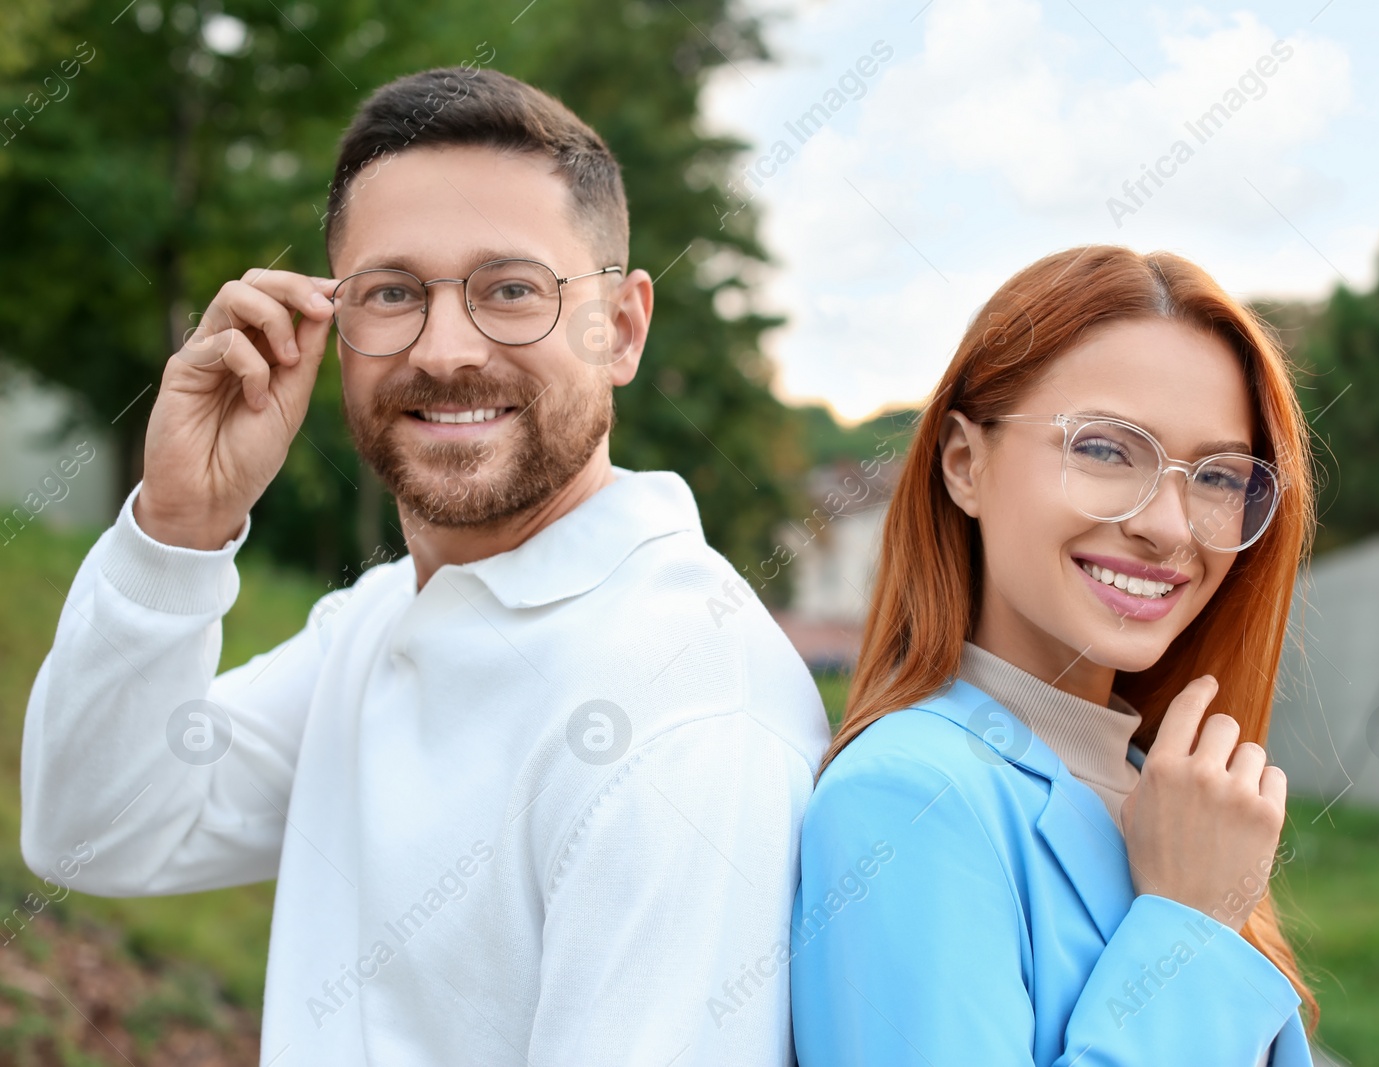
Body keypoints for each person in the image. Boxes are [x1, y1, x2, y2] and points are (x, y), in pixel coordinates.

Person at [21, 67, 830, 1066]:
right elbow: (94, 830)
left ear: (620, 328)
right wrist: (181, 525)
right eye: (394, 292)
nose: (445, 349)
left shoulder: (686, 714)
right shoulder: (380, 620)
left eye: (512, 290)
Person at [789, 246, 1320, 1066]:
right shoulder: (908, 798)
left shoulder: (1166, 789)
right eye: (1107, 450)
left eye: (1218, 476)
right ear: (965, 463)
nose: (1171, 528)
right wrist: (1190, 928)